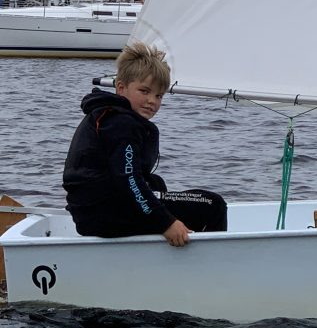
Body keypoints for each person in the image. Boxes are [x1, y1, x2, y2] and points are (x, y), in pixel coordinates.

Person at [63, 41, 227, 246]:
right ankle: (214, 263)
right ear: (121, 88)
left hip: (93, 213)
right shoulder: (121, 124)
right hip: (105, 214)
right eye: (144, 91)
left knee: (156, 184)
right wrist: (166, 222)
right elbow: (128, 179)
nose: (152, 101)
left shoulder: (108, 116)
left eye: (159, 95)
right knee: (212, 204)